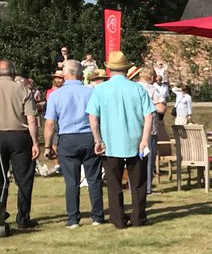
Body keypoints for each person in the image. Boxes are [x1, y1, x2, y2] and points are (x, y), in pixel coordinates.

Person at [86, 50, 153, 229]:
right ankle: (138, 218)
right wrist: (145, 139)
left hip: (110, 144)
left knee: (114, 184)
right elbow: (149, 116)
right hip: (136, 142)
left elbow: (92, 117)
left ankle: (118, 219)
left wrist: (97, 140)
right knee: (138, 183)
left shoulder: (100, 89)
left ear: (109, 70)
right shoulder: (138, 88)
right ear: (126, 69)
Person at [43, 60, 104, 228]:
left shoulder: (56, 95)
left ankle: (73, 219)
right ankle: (97, 216)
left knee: (71, 181)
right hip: (89, 136)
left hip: (67, 139)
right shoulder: (91, 92)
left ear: (67, 73)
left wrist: (48, 146)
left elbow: (50, 123)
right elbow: (99, 117)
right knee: (94, 179)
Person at [0, 59, 40, 235]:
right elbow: (31, 119)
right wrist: (35, 142)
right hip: (19, 136)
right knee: (24, 179)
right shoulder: (24, 90)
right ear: (13, 72)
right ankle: (23, 218)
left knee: (0, 179)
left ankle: (0, 214)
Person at [133, 66, 167, 193]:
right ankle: (146, 187)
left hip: (134, 127)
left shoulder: (133, 87)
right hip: (149, 128)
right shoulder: (152, 89)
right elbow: (161, 109)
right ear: (152, 77)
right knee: (148, 157)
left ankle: (133, 186)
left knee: (134, 159)